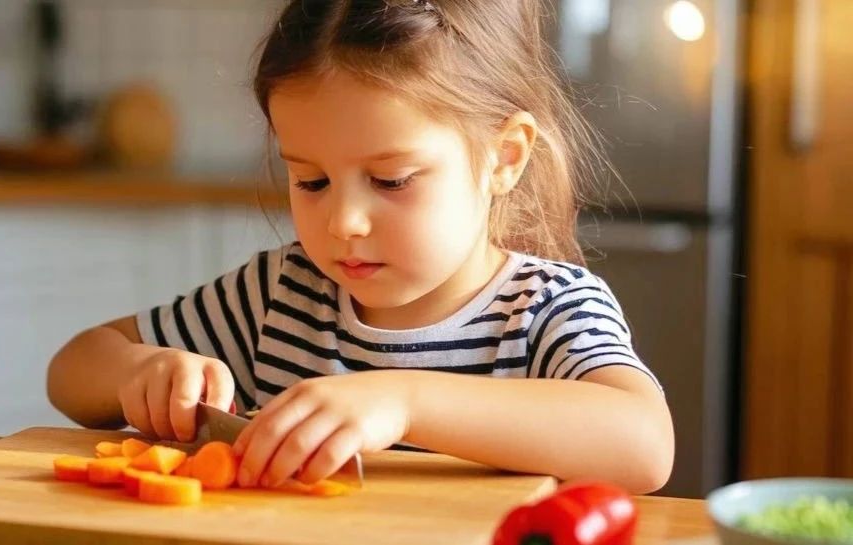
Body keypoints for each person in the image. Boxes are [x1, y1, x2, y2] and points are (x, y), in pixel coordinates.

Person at [47, 0, 674, 494]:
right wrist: (142, 372)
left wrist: (402, 400)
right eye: (311, 180)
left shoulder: (545, 309)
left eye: (391, 181)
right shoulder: (279, 295)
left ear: (503, 158)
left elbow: (644, 447)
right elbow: (73, 368)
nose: (344, 221)